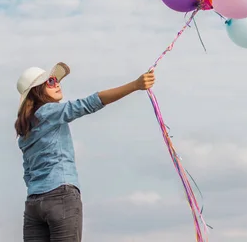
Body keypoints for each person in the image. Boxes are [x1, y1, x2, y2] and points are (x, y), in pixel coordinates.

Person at [15, 62, 155, 241]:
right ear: (37, 90)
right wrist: (135, 85)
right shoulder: (49, 111)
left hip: (33, 203)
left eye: (56, 80)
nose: (57, 83)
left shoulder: (25, 129)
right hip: (60, 195)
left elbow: (27, 173)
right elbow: (89, 103)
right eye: (50, 81)